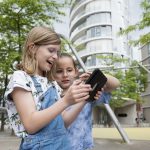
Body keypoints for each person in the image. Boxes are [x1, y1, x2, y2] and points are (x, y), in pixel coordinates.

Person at [4, 26, 97, 150]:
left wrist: (84, 99)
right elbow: (31, 124)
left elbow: (64, 122)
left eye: (57, 53)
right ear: (32, 48)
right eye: (51, 50)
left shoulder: (51, 83)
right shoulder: (21, 78)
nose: (55, 57)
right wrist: (65, 101)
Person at [54, 53, 120, 150]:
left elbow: (115, 83)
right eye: (59, 71)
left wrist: (96, 75)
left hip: (85, 146)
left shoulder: (86, 90)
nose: (65, 75)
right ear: (52, 74)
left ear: (76, 72)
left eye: (69, 70)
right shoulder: (51, 95)